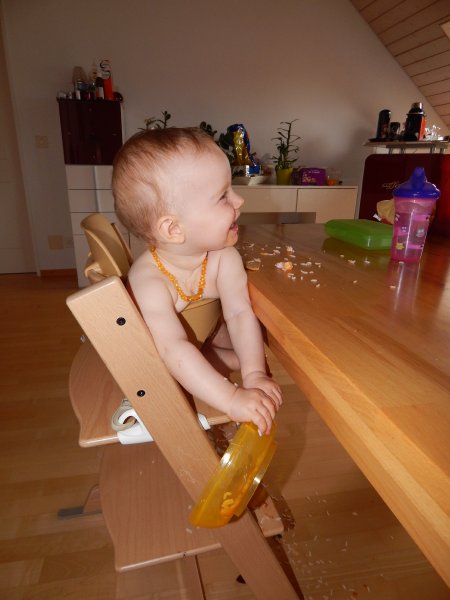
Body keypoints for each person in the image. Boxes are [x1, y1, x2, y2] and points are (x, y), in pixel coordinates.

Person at [112, 127, 282, 435]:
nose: (240, 200)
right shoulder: (148, 280)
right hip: (159, 366)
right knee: (176, 366)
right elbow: (172, 349)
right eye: (223, 196)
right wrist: (231, 398)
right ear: (174, 229)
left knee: (244, 343)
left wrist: (254, 374)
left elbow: (240, 314)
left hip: (201, 344)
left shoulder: (223, 257)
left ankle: (233, 362)